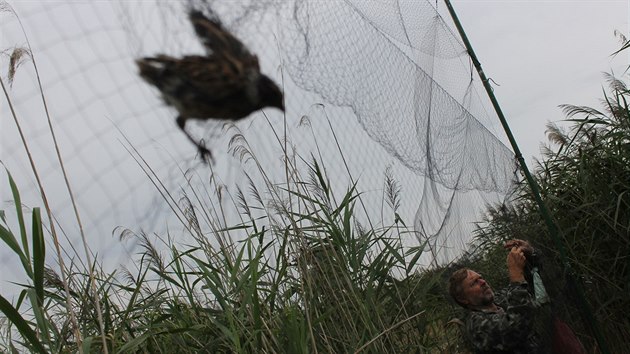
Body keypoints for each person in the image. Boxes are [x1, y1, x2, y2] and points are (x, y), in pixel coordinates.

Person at [448, 239, 540, 353]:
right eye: (474, 283)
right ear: (462, 299)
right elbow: (516, 328)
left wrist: (529, 253)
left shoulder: (499, 299)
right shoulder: (476, 326)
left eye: (480, 278)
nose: (482, 282)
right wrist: (515, 275)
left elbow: (528, 282)